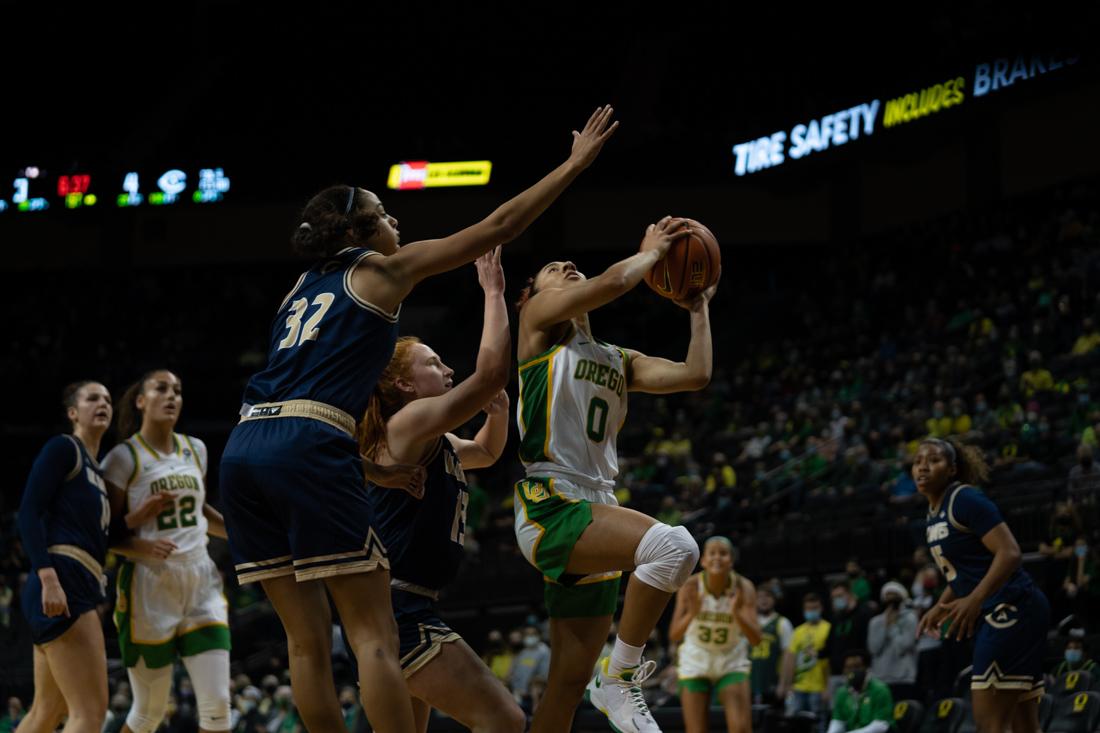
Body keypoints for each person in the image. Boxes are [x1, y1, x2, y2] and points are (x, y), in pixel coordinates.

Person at [218, 106, 618, 733]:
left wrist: (364, 473)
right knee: (373, 637)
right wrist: (573, 164)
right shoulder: (379, 270)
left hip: (244, 444)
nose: (395, 220)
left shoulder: (296, 288)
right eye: (384, 213)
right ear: (358, 230)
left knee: (305, 644)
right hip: (309, 434)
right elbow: (498, 224)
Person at [511, 216, 717, 733]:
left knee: (565, 683)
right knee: (676, 547)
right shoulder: (538, 327)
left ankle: (609, 681)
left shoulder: (618, 359)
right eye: (554, 269)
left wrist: (698, 309)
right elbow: (612, 284)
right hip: (551, 500)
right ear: (536, 294)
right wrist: (650, 253)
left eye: (568, 263)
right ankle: (622, 677)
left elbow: (695, 374)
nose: (568, 266)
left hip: (594, 503)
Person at [357, 248, 524, 733]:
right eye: (434, 364)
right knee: (504, 719)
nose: (448, 370)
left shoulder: (434, 438)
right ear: (404, 385)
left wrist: (497, 415)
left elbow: (486, 454)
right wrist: (494, 293)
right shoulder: (406, 425)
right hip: (397, 609)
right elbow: (490, 372)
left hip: (408, 603)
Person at [17, 382, 173, 733]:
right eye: (92, 398)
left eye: (106, 398)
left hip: (74, 579)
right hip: (64, 579)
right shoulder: (63, 448)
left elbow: (101, 537)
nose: (102, 402)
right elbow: (27, 512)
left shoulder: (96, 473)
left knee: (45, 713)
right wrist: (48, 576)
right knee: (89, 714)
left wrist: (138, 519)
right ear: (73, 412)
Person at [101, 370, 232, 733]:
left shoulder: (196, 448)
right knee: (148, 714)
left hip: (201, 578)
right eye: (161, 389)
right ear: (141, 401)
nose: (172, 396)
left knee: (219, 707)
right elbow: (104, 534)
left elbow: (202, 512)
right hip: (149, 584)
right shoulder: (123, 458)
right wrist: (140, 542)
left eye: (177, 390)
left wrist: (241, 534)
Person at [915, 438, 1050, 733]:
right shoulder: (933, 513)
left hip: (1012, 607)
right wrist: (942, 603)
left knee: (990, 725)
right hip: (1011, 609)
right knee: (1024, 726)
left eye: (934, 460)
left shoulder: (964, 499)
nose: (923, 466)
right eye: (918, 461)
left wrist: (974, 599)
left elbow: (1010, 552)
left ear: (952, 469)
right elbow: (966, 572)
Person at [669, 537, 761, 733]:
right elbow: (674, 635)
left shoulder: (744, 587)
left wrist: (737, 613)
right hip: (696, 657)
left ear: (731, 560)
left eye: (723, 553)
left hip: (730, 657)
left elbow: (756, 639)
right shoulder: (690, 586)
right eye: (712, 553)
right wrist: (692, 613)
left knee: (742, 728)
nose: (717, 557)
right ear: (703, 560)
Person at [779, 593, 831, 731]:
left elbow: (830, 661)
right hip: (799, 687)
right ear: (804, 610)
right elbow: (790, 659)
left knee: (819, 725)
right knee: (796, 725)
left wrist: (827, 687)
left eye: (815, 608)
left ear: (821, 608)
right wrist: (788, 684)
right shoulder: (798, 631)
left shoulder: (828, 628)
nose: (811, 611)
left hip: (819, 687)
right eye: (808, 608)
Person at [866, 581, 918, 701]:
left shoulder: (910, 619)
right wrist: (885, 625)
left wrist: (893, 627)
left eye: (894, 596)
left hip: (904, 677)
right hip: (880, 678)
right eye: (887, 596)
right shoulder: (875, 622)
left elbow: (905, 646)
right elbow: (874, 648)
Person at [826, 650, 894, 733]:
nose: (852, 671)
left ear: (866, 668)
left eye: (857, 666)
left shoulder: (880, 690)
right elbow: (838, 721)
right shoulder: (842, 692)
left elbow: (880, 725)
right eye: (848, 667)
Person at [750, 586, 793, 704]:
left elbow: (788, 656)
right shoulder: (748, 623)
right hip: (750, 684)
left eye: (767, 596)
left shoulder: (783, 623)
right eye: (760, 597)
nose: (764, 600)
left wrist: (784, 684)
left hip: (773, 684)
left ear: (774, 599)